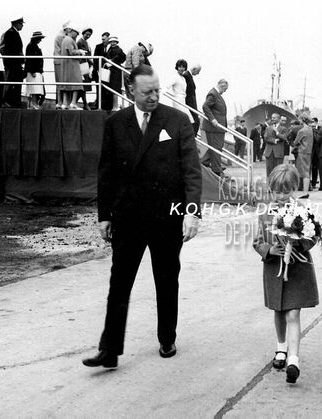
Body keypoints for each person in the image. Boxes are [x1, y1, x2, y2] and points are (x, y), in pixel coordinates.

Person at [82, 64, 202, 369]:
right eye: (147, 92)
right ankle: (109, 349)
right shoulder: (115, 123)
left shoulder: (176, 120)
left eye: (157, 90)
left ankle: (167, 337)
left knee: (166, 279)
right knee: (119, 284)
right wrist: (104, 215)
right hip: (128, 218)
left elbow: (191, 170)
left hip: (167, 218)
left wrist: (192, 213)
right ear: (130, 91)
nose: (154, 97)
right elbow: (106, 172)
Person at [253, 164, 319, 384]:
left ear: (294, 189)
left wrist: (298, 242)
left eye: (286, 191)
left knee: (293, 314)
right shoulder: (265, 212)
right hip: (274, 269)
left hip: (297, 270)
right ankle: (281, 348)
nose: (281, 196)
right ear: (271, 190)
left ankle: (293, 360)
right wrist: (269, 250)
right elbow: (257, 241)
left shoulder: (302, 210)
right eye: (277, 191)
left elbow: (313, 237)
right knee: (279, 311)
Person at [200, 79, 229, 176]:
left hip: (218, 128)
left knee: (215, 148)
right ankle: (217, 170)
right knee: (216, 148)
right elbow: (205, 106)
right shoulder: (213, 94)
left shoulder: (217, 95)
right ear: (221, 86)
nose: (225, 91)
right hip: (213, 128)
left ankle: (203, 163)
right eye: (225, 89)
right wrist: (212, 119)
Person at [0, 17, 26, 108]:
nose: (22, 25)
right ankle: (8, 102)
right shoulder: (10, 33)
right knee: (11, 83)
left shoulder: (13, 33)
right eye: (21, 23)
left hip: (14, 63)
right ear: (16, 23)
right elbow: (11, 49)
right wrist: (19, 59)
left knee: (15, 83)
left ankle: (13, 102)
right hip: (12, 63)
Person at [59, 25, 86, 110]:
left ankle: (65, 103)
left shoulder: (65, 40)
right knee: (77, 83)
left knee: (66, 84)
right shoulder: (69, 40)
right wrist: (80, 52)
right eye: (76, 33)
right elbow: (71, 52)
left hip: (67, 64)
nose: (77, 35)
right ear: (72, 31)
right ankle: (73, 103)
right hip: (72, 64)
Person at [165, 59, 194, 124]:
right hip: (177, 101)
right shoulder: (175, 77)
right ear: (177, 67)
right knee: (188, 119)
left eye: (183, 67)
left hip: (183, 101)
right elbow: (167, 86)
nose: (181, 68)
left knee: (184, 120)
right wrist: (162, 92)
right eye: (180, 67)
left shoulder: (183, 78)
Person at [104, 36, 126, 112]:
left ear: (116, 42)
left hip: (115, 71)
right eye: (111, 42)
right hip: (112, 71)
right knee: (112, 89)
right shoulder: (111, 49)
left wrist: (111, 61)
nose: (112, 43)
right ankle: (113, 106)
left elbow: (121, 57)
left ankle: (115, 106)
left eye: (114, 42)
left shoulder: (119, 50)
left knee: (115, 89)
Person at [24, 31, 45, 109]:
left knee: (35, 89)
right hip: (33, 71)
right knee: (34, 89)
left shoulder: (32, 46)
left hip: (36, 70)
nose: (40, 40)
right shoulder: (31, 46)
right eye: (39, 38)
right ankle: (34, 103)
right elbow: (30, 59)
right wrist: (32, 71)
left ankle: (34, 103)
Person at [293, 116, 314, 191]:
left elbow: (296, 142)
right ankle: (306, 190)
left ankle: (303, 190)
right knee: (307, 171)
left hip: (302, 152)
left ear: (302, 120)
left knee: (302, 172)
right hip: (308, 151)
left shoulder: (302, 131)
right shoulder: (310, 129)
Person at [53, 22, 70, 108]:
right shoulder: (61, 37)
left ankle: (60, 102)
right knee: (62, 82)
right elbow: (62, 51)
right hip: (60, 62)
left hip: (59, 61)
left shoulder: (60, 36)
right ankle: (61, 102)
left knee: (60, 83)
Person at [92, 31, 110, 110]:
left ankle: (106, 106)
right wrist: (96, 70)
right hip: (99, 70)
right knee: (99, 88)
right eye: (102, 39)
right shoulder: (98, 46)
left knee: (107, 89)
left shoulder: (111, 47)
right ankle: (99, 105)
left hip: (108, 71)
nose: (103, 41)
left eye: (104, 39)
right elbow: (95, 59)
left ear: (108, 39)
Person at [76, 28, 93, 110]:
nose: (88, 36)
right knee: (83, 86)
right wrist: (92, 62)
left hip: (86, 65)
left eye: (89, 35)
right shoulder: (80, 42)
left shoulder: (85, 42)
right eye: (87, 34)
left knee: (84, 86)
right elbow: (84, 55)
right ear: (83, 33)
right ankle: (84, 104)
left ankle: (80, 103)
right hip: (82, 65)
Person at [182, 64, 201, 135]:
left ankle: (192, 137)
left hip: (191, 103)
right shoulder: (186, 76)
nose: (198, 74)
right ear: (194, 69)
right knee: (195, 121)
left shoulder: (188, 76)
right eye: (198, 71)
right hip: (189, 103)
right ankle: (192, 137)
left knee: (196, 121)